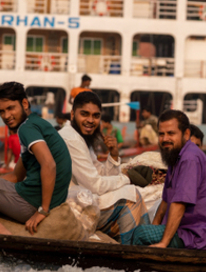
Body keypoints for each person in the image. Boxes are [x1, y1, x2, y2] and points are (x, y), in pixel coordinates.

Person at [0, 82, 72, 235]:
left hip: (30, 202)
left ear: (24, 103)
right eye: (1, 111)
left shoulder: (26, 128)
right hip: (40, 200)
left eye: (10, 108)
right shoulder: (37, 124)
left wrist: (43, 210)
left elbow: (49, 164)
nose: (6, 116)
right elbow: (16, 176)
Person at [122, 110, 206, 251]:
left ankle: (132, 270)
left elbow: (179, 203)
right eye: (161, 134)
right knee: (145, 231)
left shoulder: (189, 158)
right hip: (192, 231)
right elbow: (165, 203)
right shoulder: (176, 159)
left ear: (186, 134)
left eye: (171, 133)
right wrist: (153, 229)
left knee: (140, 234)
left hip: (205, 236)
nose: (165, 139)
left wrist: (163, 243)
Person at [59, 91, 150, 240]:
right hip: (72, 206)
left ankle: (135, 242)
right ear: (72, 114)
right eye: (85, 114)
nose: (90, 120)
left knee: (129, 192)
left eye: (96, 116)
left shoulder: (80, 137)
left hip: (82, 199)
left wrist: (113, 156)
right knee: (132, 196)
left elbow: (100, 173)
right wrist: (127, 178)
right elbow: (96, 185)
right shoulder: (72, 139)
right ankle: (132, 250)